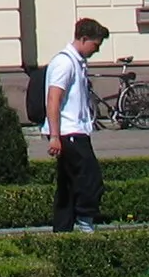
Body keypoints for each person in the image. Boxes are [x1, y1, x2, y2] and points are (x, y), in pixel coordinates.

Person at [44, 17, 109, 232]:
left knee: (68, 185)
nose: (96, 50)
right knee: (90, 179)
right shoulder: (65, 63)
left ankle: (62, 230)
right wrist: (54, 136)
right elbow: (54, 98)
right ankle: (85, 222)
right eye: (95, 45)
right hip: (69, 132)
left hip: (73, 130)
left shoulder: (77, 62)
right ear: (83, 38)